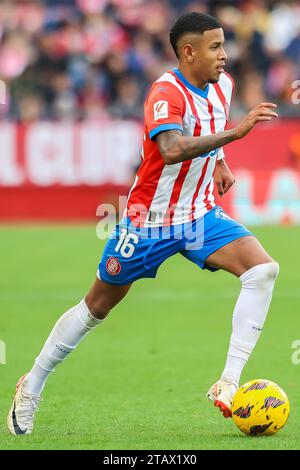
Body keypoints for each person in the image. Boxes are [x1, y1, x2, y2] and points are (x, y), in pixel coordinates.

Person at [7, 12, 279, 435]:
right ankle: (32, 384)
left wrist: (220, 162)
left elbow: (209, 127)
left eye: (224, 45)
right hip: (148, 220)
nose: (225, 55)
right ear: (188, 52)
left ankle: (228, 383)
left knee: (263, 270)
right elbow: (171, 149)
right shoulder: (164, 92)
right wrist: (236, 136)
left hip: (199, 214)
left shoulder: (222, 85)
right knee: (96, 306)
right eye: (215, 47)